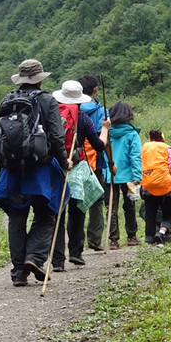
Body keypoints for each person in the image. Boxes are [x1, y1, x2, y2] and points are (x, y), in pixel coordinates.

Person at [0, 59, 66, 286]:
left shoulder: (8, 99)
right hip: (40, 169)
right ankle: (34, 257)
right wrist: (63, 163)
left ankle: (18, 273)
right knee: (46, 214)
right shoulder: (46, 100)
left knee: (16, 217)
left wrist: (2, 165)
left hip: (12, 170)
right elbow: (56, 136)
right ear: (40, 79)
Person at [51, 80, 109, 269]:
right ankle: (75, 253)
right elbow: (99, 146)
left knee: (58, 213)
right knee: (77, 210)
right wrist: (106, 128)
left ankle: (57, 260)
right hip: (76, 167)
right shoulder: (83, 118)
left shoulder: (51, 116)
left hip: (56, 167)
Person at [75, 75, 111, 253]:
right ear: (95, 90)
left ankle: (75, 243)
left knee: (76, 198)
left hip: (74, 160)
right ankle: (95, 240)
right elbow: (105, 141)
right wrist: (111, 163)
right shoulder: (101, 111)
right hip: (94, 160)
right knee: (97, 198)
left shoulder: (73, 108)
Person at [103, 101, 143, 247]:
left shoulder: (107, 133)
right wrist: (137, 176)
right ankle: (132, 237)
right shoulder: (132, 134)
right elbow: (135, 157)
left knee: (111, 208)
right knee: (129, 207)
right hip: (128, 177)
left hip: (109, 175)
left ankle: (113, 240)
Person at [141, 130, 171, 243]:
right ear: (162, 139)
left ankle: (149, 239)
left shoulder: (145, 148)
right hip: (165, 185)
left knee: (150, 214)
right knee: (168, 213)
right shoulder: (168, 148)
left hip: (148, 184)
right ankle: (162, 232)